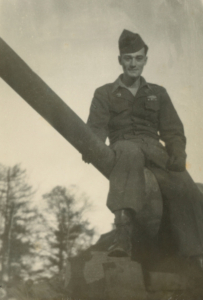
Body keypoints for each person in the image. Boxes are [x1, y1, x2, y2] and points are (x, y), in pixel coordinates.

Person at [85, 29, 203, 269]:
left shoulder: (158, 93)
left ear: (145, 61)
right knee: (128, 155)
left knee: (186, 186)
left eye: (138, 58)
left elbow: (172, 130)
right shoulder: (104, 93)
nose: (133, 63)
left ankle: (196, 254)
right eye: (128, 58)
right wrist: (91, 148)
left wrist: (178, 153)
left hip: (155, 150)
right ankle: (122, 236)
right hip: (124, 145)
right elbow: (95, 128)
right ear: (120, 60)